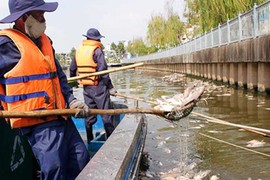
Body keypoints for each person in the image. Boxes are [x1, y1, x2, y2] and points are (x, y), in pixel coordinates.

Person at [0, 0, 90, 179]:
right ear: (24, 18)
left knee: (81, 159)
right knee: (54, 170)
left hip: (63, 116)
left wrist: (71, 99)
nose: (43, 19)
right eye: (39, 14)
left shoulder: (46, 41)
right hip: (38, 124)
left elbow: (59, 77)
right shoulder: (5, 46)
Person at [70, 28, 117, 143]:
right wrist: (110, 87)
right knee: (106, 115)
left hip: (86, 89)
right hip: (99, 88)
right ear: (96, 39)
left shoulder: (78, 51)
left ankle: (90, 139)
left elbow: (72, 69)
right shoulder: (97, 51)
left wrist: (74, 83)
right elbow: (103, 71)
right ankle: (110, 142)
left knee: (89, 116)